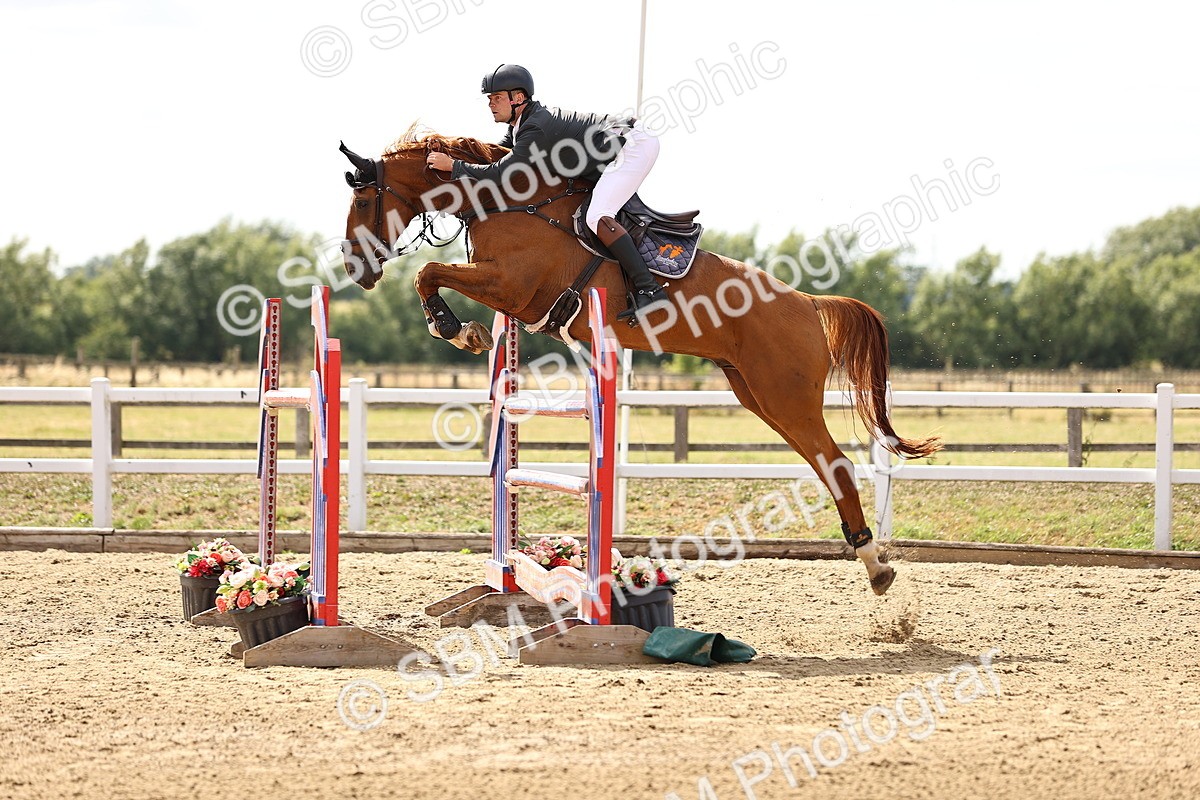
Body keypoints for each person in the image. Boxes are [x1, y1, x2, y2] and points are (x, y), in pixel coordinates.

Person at [425, 63, 669, 322]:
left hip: (633, 145)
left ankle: (649, 289)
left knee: (597, 216)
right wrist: (450, 150)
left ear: (518, 98)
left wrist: (454, 166)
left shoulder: (534, 127)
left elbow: (503, 172)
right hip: (614, 147)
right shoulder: (521, 125)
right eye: (489, 99)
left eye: (496, 98)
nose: (491, 104)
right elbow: (493, 156)